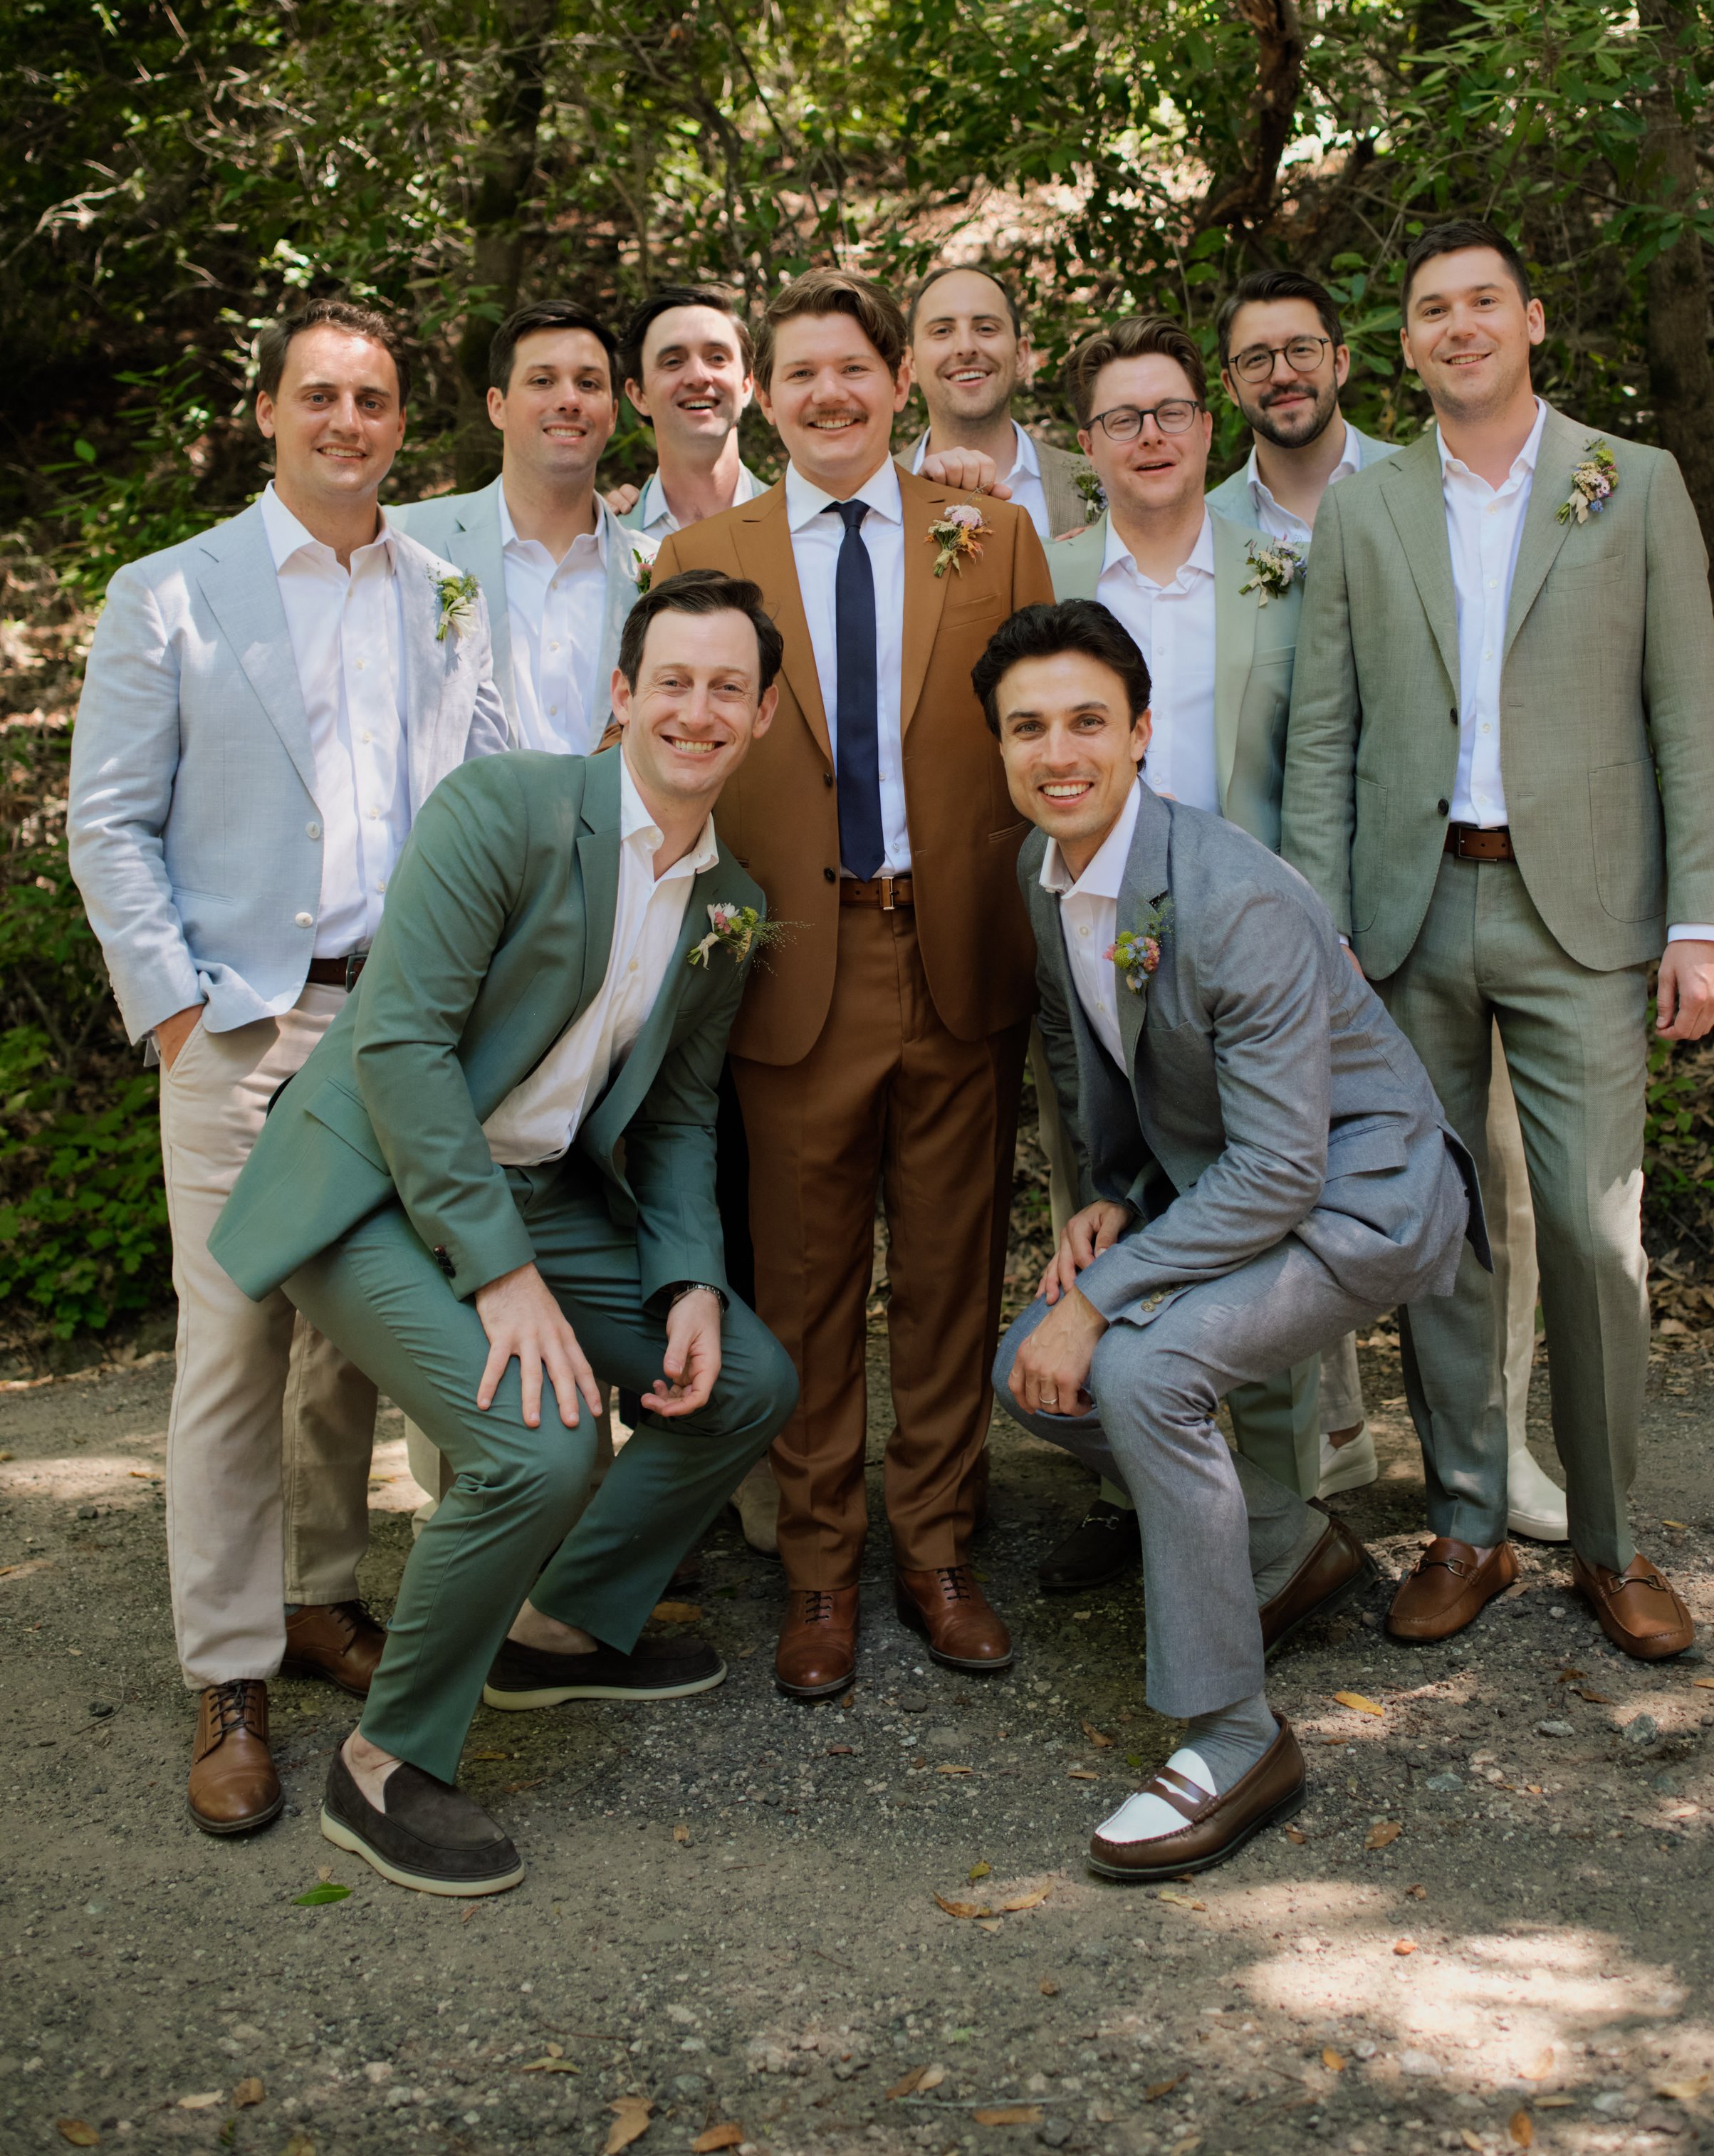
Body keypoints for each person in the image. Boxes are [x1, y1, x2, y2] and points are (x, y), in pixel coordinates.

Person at [207, 573, 800, 1895]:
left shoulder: (729, 904)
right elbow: (402, 1047)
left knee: (753, 1379)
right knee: (539, 1448)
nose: (696, 711)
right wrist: (506, 1277)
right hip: (369, 1185)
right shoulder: (506, 811)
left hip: (543, 1194)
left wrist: (692, 1281)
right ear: (622, 695)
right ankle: (385, 1765)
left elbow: (681, 1119)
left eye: (726, 690)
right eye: (673, 682)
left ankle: (556, 1627)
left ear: (761, 716)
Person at [66, 298, 508, 1838]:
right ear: (266, 413)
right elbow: (108, 822)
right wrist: (180, 1011)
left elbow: (492, 794)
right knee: (236, 1343)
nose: (346, 423)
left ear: (401, 424)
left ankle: (322, 1599)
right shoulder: (170, 594)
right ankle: (231, 1675)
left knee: (351, 1346)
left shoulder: (447, 594)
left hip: (398, 1028)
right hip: (244, 1024)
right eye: (317, 396)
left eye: (373, 400)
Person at [1283, 217, 1714, 1658]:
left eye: (1483, 302)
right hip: (1410, 913)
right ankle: (1466, 1530)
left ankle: (1607, 1547)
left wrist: (1699, 925)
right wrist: (1321, 922)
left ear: (1531, 321)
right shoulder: (1363, 509)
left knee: (1597, 1243)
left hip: (1585, 917)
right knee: (1445, 1235)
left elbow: (1685, 715)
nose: (1458, 326)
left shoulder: (1630, 484)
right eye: (1431, 310)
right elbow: (1322, 733)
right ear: (1405, 345)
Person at [981, 600, 1481, 1878]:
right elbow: (1093, 1055)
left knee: (1137, 1366)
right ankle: (1280, 1549)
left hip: (1362, 1193)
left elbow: (1280, 1166)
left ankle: (1235, 1734)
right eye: (1027, 728)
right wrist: (1109, 1196)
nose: (1058, 752)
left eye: (1088, 720)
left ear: (1142, 732)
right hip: (1230, 1179)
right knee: (1026, 1365)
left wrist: (1115, 1292)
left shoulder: (1234, 896)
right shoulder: (1043, 880)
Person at [654, 267, 1053, 1700]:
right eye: (798, 373)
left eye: (851, 368)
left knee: (947, 1281)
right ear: (765, 396)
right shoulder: (706, 554)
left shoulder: (989, 538)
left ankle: (936, 1551)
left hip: (955, 958)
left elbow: (1039, 738)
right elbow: (669, 769)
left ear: (896, 380)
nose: (827, 393)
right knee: (806, 1292)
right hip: (788, 973)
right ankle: (819, 1571)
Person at [1206, 267, 1565, 1535]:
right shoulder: (1203, 527)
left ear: (1349, 359)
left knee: (1481, 1180)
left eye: (1301, 349)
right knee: (1293, 1169)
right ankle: (1331, 1428)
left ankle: (1493, 1442)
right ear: (1232, 383)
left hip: (1442, 891)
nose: (1282, 374)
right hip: (1286, 902)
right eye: (1256, 358)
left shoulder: (1433, 486)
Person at [1035, 313, 1324, 1587]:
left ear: (1209, 431)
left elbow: (1328, 745)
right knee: (1114, 1206)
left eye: (1169, 414)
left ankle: (1280, 1526)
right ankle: (1163, 1507)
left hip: (1248, 942)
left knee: (1258, 1220)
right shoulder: (1053, 573)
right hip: (1104, 933)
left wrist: (1328, 925)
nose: (1148, 438)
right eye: (1119, 419)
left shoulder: (1288, 561)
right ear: (1086, 446)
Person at [391, 300, 649, 754]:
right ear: (497, 406)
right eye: (542, 381)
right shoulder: (406, 541)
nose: (569, 400)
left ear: (611, 413)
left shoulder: (658, 567)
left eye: (588, 384)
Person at [902, 264, 1092, 533]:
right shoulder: (875, 492)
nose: (966, 347)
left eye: (986, 328)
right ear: (910, 364)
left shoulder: (1100, 484)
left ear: (1021, 356)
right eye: (942, 331)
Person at [621, 286, 769, 532]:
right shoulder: (606, 539)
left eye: (717, 358)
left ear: (746, 385)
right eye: (673, 362)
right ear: (639, 395)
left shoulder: (799, 526)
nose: (698, 377)